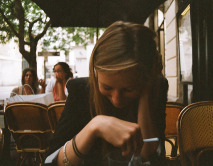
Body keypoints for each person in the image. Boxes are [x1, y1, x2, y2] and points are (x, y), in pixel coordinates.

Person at [45, 21, 169, 166]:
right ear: (96, 73)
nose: (117, 100)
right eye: (107, 88)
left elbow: (150, 156)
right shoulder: (80, 91)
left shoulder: (157, 87)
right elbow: (49, 161)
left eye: (129, 89)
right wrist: (94, 127)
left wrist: (145, 93)